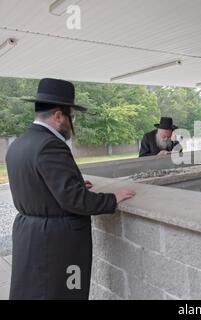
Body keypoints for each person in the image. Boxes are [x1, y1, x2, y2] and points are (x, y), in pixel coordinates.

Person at [6, 78, 136, 300]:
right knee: (67, 292)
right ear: (58, 116)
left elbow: (36, 184)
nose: (72, 123)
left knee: (33, 291)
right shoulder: (50, 145)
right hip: (57, 242)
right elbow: (75, 200)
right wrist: (112, 199)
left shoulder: (19, 143)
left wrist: (74, 185)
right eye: (71, 117)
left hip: (29, 235)